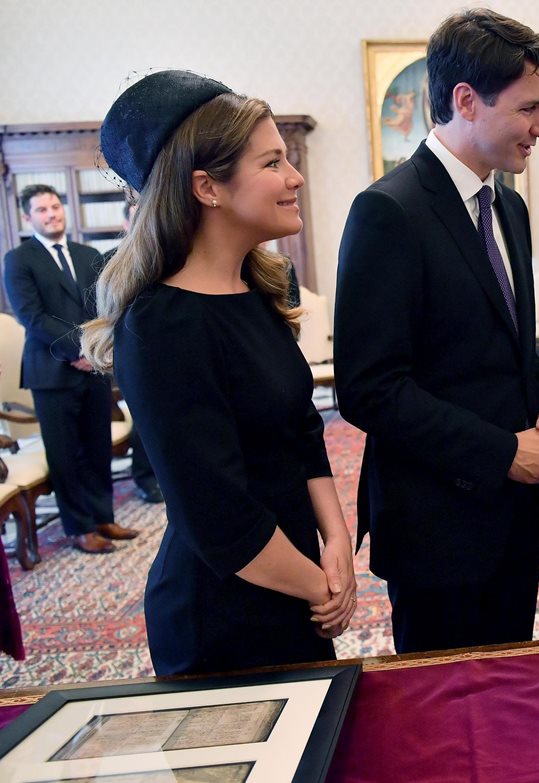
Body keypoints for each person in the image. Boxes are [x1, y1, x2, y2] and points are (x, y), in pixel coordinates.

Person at [82, 70, 356, 675]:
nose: (295, 178)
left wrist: (335, 544)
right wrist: (322, 589)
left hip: (296, 579)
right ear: (207, 187)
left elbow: (303, 435)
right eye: (273, 163)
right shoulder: (161, 326)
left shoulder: (263, 288)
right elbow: (218, 517)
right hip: (221, 613)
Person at [336, 9, 539, 653]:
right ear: (466, 100)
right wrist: (502, 453)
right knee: (443, 723)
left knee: (508, 699)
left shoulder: (509, 207)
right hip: (438, 525)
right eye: (530, 108)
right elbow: (369, 390)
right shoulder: (388, 212)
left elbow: (512, 345)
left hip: (515, 516)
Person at [3, 185, 138, 554]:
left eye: (55, 206)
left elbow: (103, 307)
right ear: (26, 217)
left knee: (97, 446)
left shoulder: (87, 254)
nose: (51, 214)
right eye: (41, 210)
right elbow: (32, 317)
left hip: (92, 368)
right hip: (51, 372)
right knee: (65, 453)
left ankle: (103, 517)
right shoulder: (19, 260)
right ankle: (80, 528)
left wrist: (93, 351)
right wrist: (79, 349)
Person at [101, 199, 163, 504]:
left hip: (167, 349)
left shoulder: (168, 254)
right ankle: (146, 478)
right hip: (134, 351)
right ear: (127, 224)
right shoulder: (111, 260)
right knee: (145, 420)